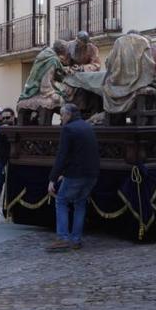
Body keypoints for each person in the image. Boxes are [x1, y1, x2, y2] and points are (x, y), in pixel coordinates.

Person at [45, 104, 100, 252]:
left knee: (61, 200)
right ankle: (76, 239)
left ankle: (63, 238)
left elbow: (62, 155)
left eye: (62, 115)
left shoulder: (68, 129)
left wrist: (53, 178)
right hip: (92, 173)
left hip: (76, 174)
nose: (61, 118)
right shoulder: (87, 126)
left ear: (68, 115)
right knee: (80, 203)